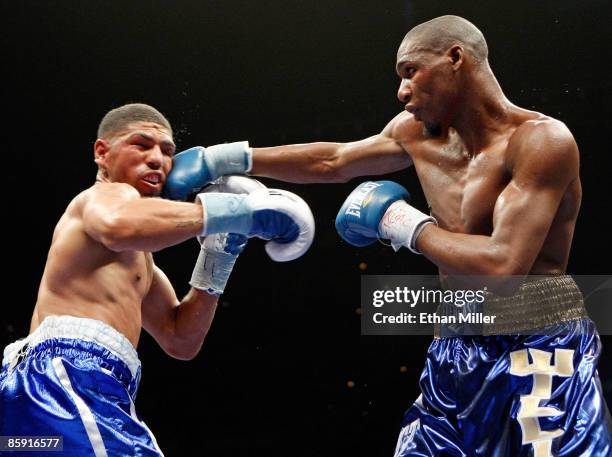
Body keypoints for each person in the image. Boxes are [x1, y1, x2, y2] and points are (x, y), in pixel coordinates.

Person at [163, 15, 612, 456]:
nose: (401, 92)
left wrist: (403, 223)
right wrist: (225, 159)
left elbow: (503, 267)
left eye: (410, 72)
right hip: (456, 341)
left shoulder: (541, 141)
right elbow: (334, 161)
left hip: (540, 344)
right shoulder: (415, 133)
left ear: (456, 58)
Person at [0, 103, 315, 456]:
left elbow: (181, 339)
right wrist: (239, 214)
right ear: (102, 153)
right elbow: (119, 225)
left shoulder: (141, 260)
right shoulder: (104, 196)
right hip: (65, 378)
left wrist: (219, 252)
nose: (157, 159)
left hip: (53, 389)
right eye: (141, 144)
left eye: (167, 152)